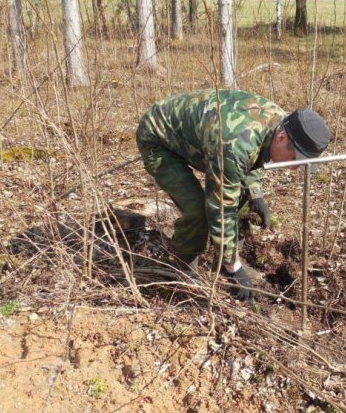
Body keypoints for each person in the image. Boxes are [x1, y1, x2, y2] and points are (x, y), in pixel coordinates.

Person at [136, 89, 330, 300]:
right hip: (158, 139)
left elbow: (256, 155)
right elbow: (220, 207)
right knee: (197, 210)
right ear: (282, 138)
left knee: (244, 197)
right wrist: (235, 269)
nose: (293, 167)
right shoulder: (235, 143)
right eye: (294, 158)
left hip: (203, 136)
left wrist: (255, 194)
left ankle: (223, 261)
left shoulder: (279, 122)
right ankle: (180, 267)